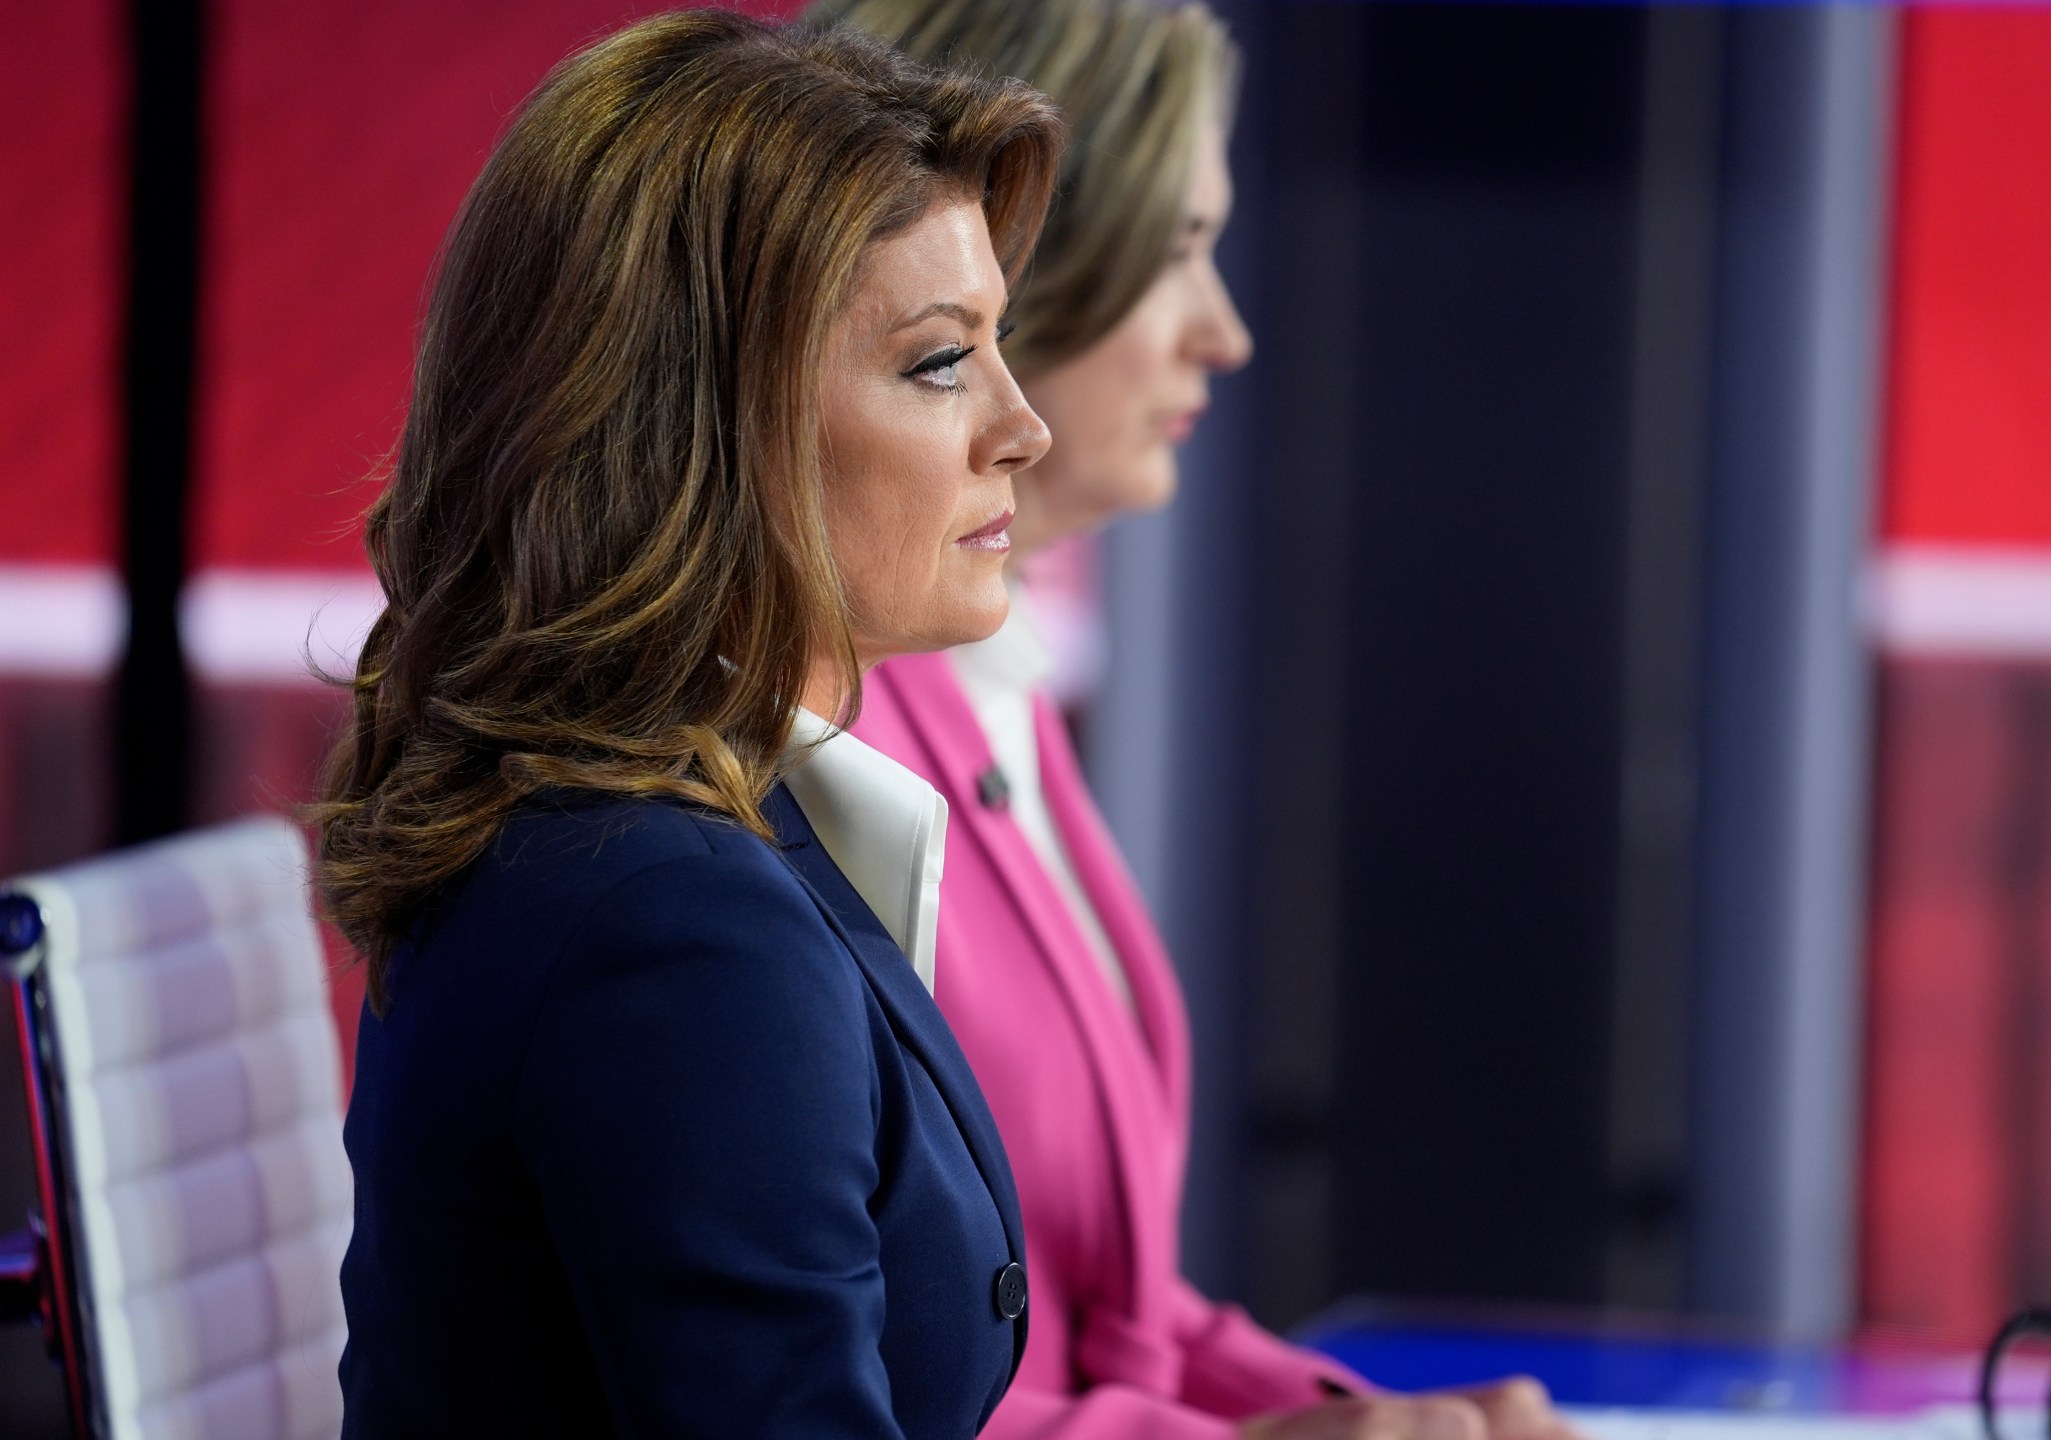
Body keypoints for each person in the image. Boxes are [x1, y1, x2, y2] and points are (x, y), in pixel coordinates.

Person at [812, 3, 1578, 1437]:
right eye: (1179, 251)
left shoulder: (990, 685)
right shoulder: (819, 746)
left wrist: (1383, 1420)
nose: (1224, 333)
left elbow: (1118, 1317)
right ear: (1020, 261)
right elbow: (850, 1391)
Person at [320, 13, 1064, 1435]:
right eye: (937, 363)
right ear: (702, 422)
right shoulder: (672, 925)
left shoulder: (634, 836)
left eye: (998, 347)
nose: (1021, 426)